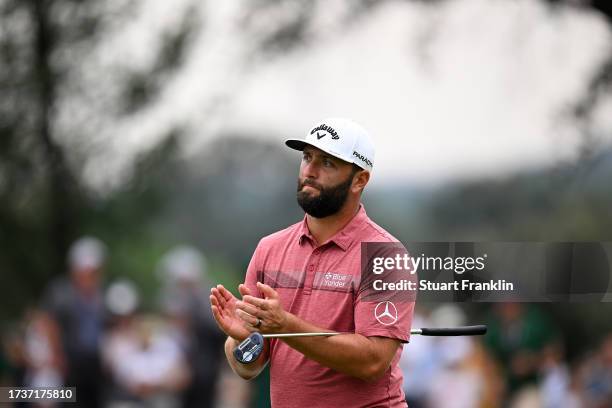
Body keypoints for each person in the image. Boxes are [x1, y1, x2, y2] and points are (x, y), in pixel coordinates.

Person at [210, 118, 415, 407]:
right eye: (307, 158)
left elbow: (373, 363)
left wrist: (284, 326)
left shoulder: (386, 255)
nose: (310, 171)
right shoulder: (269, 248)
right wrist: (245, 340)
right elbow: (248, 367)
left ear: (360, 180)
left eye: (328, 163)